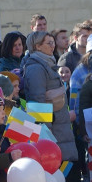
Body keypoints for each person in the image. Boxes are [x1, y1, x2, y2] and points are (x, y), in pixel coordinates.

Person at [22, 31, 77, 166]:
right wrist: (46, 132)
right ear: (37, 46)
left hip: (59, 125)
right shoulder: (36, 68)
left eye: (53, 42)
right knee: (58, 165)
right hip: (52, 129)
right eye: (49, 43)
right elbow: (37, 101)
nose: (53, 46)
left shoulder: (47, 64)